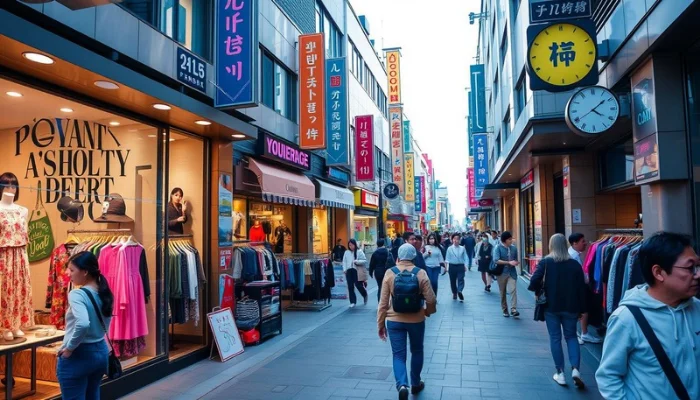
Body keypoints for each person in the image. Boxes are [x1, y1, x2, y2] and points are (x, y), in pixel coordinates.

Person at [595, 232, 700, 400]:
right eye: (690, 268)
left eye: (698, 266)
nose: (697, 274)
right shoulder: (627, 319)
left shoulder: (697, 309)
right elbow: (608, 376)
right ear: (658, 272)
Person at [377, 244, 437, 400]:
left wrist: (380, 324)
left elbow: (382, 303)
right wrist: (427, 312)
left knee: (398, 355)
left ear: (398, 257)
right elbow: (431, 299)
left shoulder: (390, 273)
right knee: (417, 351)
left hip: (394, 320)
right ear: (414, 257)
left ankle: (402, 385)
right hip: (416, 320)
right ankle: (416, 383)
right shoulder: (421, 273)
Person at [529, 234, 587, 388]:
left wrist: (539, 290)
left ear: (551, 245)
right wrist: (582, 309)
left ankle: (560, 373)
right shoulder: (575, 265)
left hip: (551, 307)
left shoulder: (546, 262)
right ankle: (575, 369)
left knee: (555, 338)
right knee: (571, 337)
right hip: (571, 307)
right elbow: (582, 289)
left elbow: (533, 281)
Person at [57, 251, 114, 399]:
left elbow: (82, 324)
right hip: (100, 350)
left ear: (85, 272)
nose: (67, 273)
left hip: (79, 354)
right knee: (93, 395)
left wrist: (69, 348)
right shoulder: (104, 291)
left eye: (72, 269)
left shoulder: (77, 294)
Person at [567, 233, 602, 345]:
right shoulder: (573, 257)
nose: (585, 243)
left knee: (582, 309)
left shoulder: (573, 254)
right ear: (574, 243)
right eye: (583, 241)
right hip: (577, 287)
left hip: (577, 286)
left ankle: (582, 332)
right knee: (582, 309)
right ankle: (582, 333)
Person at [493, 231, 520, 317]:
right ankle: (505, 309)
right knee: (503, 292)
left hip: (512, 273)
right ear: (504, 240)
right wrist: (509, 262)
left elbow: (515, 259)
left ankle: (513, 309)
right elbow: (496, 260)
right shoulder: (498, 248)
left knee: (513, 290)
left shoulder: (514, 248)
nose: (511, 240)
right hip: (502, 273)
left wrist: (515, 262)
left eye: (511, 239)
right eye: (509, 239)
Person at [342, 239, 369, 308]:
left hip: (356, 270)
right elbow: (344, 261)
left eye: (352, 245)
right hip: (349, 270)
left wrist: (357, 261)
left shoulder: (359, 251)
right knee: (350, 286)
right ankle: (353, 302)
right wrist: (345, 269)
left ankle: (364, 294)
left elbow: (364, 260)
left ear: (355, 244)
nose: (351, 246)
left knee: (358, 285)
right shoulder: (346, 252)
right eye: (349, 245)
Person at [445, 233, 469, 302]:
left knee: (461, 279)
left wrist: (465, 265)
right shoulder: (449, 249)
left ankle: (460, 291)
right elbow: (447, 259)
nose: (456, 240)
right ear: (452, 240)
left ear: (459, 240)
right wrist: (446, 268)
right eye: (454, 239)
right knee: (452, 281)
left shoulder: (462, 248)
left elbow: (465, 258)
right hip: (452, 266)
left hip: (460, 266)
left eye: (457, 239)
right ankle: (454, 293)